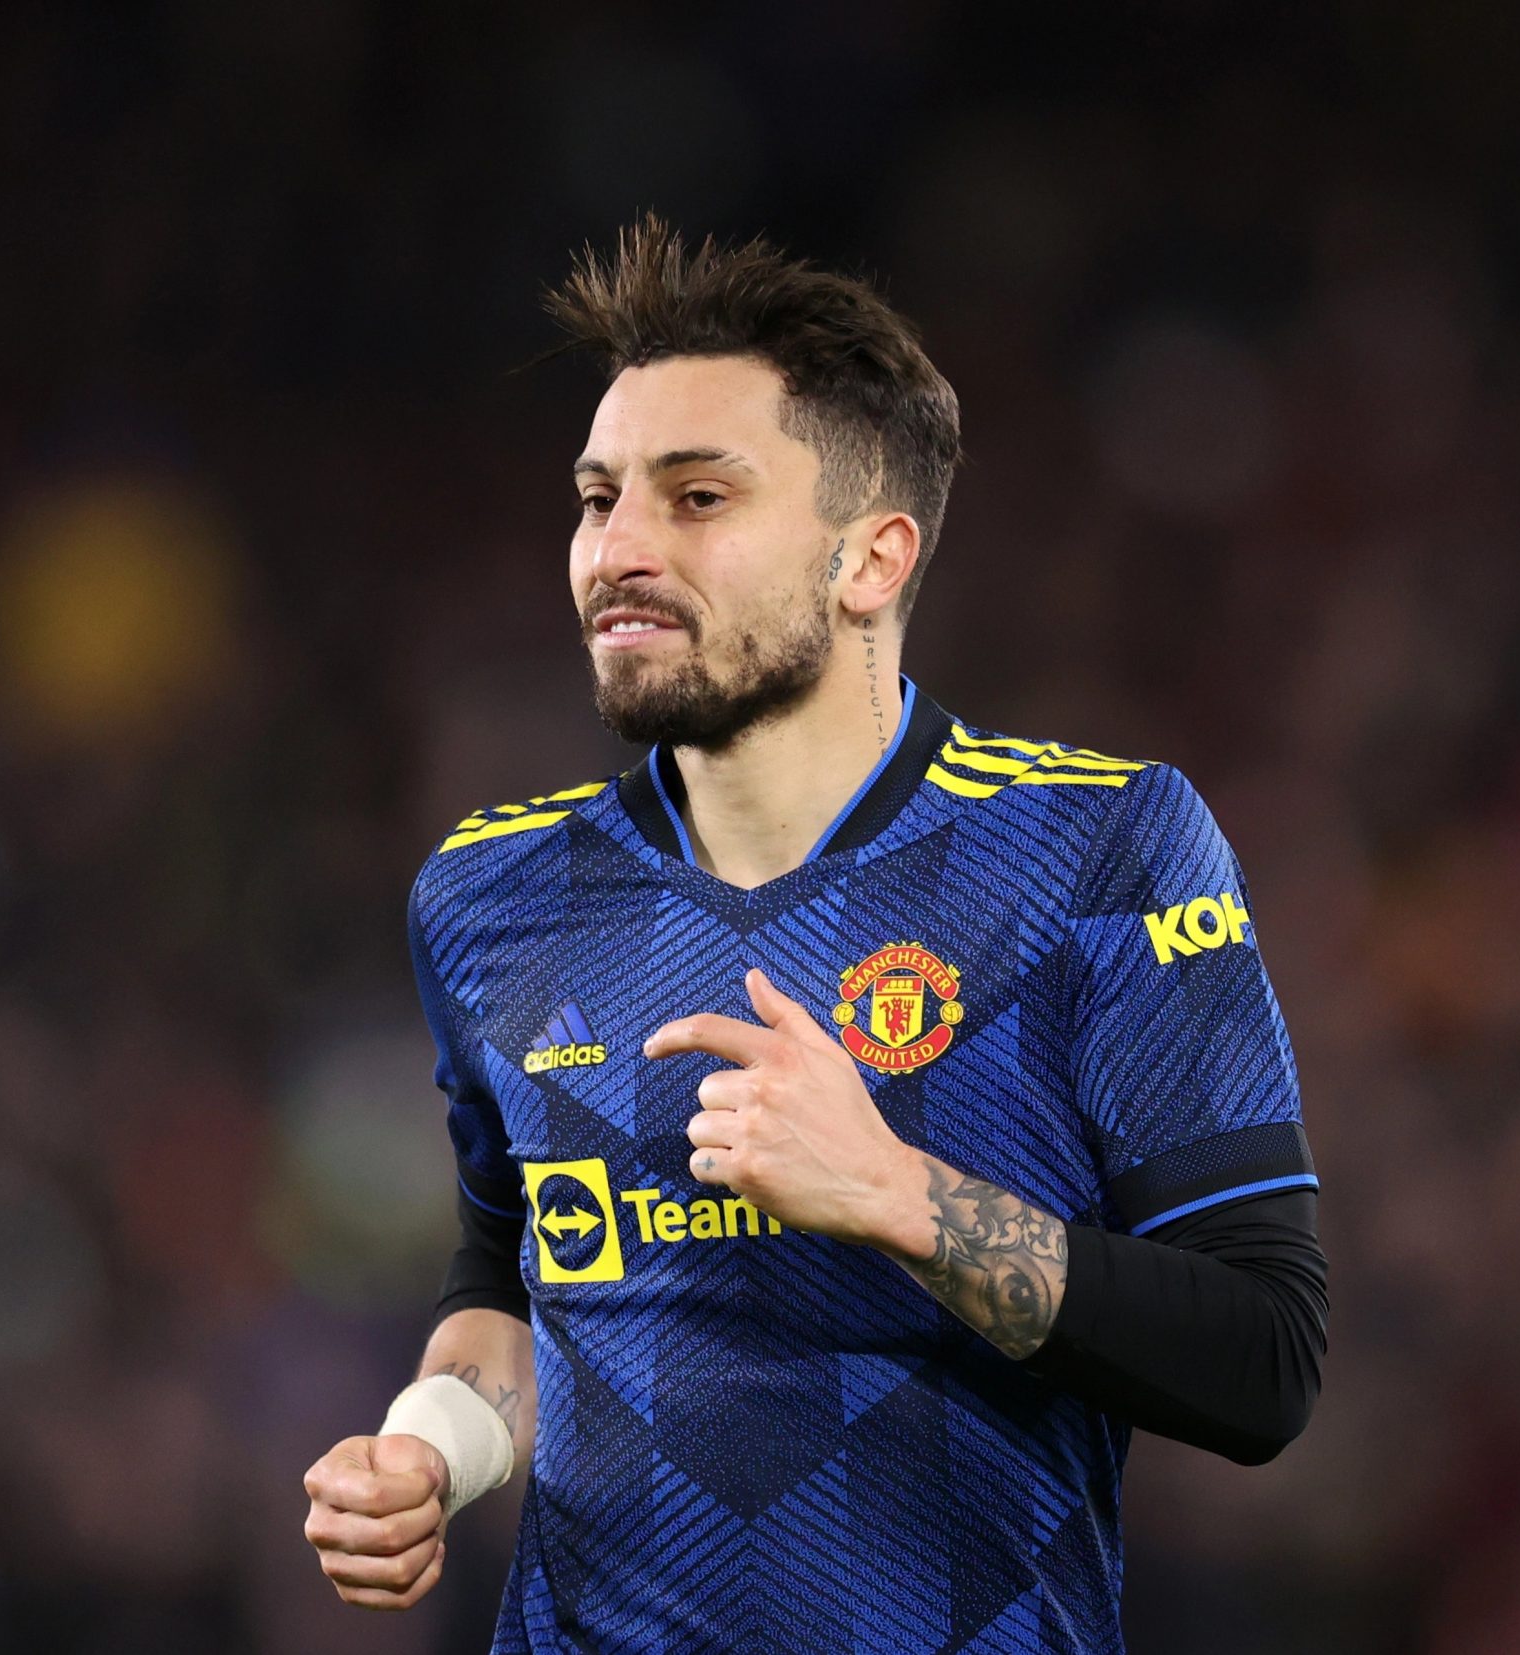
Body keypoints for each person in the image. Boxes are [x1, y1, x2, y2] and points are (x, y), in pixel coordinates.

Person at [301, 215, 1328, 1655]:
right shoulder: (491, 892)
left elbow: (1264, 1363)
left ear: (870, 559)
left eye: (698, 497)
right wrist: (431, 1449)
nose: (617, 551)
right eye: (598, 500)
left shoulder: (1100, 851)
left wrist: (898, 1196)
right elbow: (510, 1282)